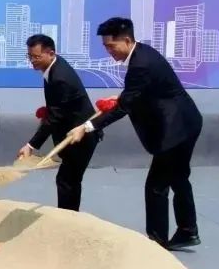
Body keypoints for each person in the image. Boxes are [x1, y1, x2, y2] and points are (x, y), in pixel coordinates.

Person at [66, 17, 203, 249]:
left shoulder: (140, 64)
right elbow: (140, 91)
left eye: (112, 46)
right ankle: (188, 231)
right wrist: (121, 97)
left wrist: (87, 127)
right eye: (105, 47)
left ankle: (156, 244)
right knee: (179, 178)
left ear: (127, 40)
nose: (109, 52)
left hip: (175, 129)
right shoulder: (142, 54)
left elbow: (125, 107)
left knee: (157, 186)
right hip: (187, 121)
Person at [18, 34, 101, 211]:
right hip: (69, 130)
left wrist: (31, 145)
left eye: (36, 57)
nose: (32, 61)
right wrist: (51, 109)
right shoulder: (54, 67)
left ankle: (68, 218)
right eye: (30, 56)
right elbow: (59, 108)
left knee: (67, 181)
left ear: (51, 53)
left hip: (81, 136)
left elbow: (55, 116)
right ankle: (68, 215)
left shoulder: (60, 77)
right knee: (67, 180)